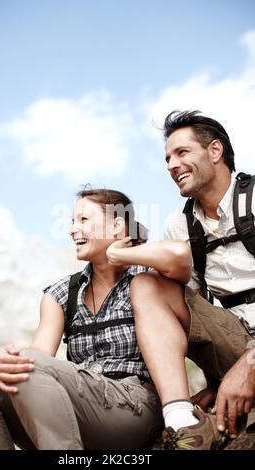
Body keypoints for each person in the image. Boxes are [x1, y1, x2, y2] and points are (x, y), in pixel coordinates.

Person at [0, 188, 190, 450]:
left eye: (83, 220)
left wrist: (118, 255)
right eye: (72, 222)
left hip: (134, 404)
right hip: (77, 404)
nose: (72, 230)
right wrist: (10, 362)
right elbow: (38, 357)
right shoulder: (60, 294)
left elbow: (180, 256)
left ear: (116, 226)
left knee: (29, 364)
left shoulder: (149, 278)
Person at [107, 111, 255, 450]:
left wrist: (249, 364)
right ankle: (180, 418)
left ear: (215, 151)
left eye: (182, 152)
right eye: (167, 158)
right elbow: (196, 316)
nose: (171, 165)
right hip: (236, 337)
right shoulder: (180, 225)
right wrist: (219, 380)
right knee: (147, 284)